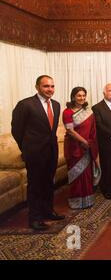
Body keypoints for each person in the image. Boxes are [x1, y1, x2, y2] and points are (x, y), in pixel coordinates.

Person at [11, 75, 65, 231]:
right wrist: (27, 148)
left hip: (51, 151)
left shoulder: (56, 105)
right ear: (37, 87)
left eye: (52, 86)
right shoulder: (25, 105)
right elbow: (17, 130)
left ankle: (48, 211)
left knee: (49, 183)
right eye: (46, 86)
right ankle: (34, 218)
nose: (50, 89)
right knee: (35, 185)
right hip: (34, 153)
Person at [62, 87, 100, 209]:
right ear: (73, 97)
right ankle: (76, 201)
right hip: (74, 147)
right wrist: (84, 142)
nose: (82, 98)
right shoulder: (67, 112)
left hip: (87, 146)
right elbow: (70, 131)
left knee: (86, 174)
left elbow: (93, 130)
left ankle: (87, 200)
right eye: (79, 96)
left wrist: (90, 143)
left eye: (84, 95)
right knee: (76, 174)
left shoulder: (89, 112)